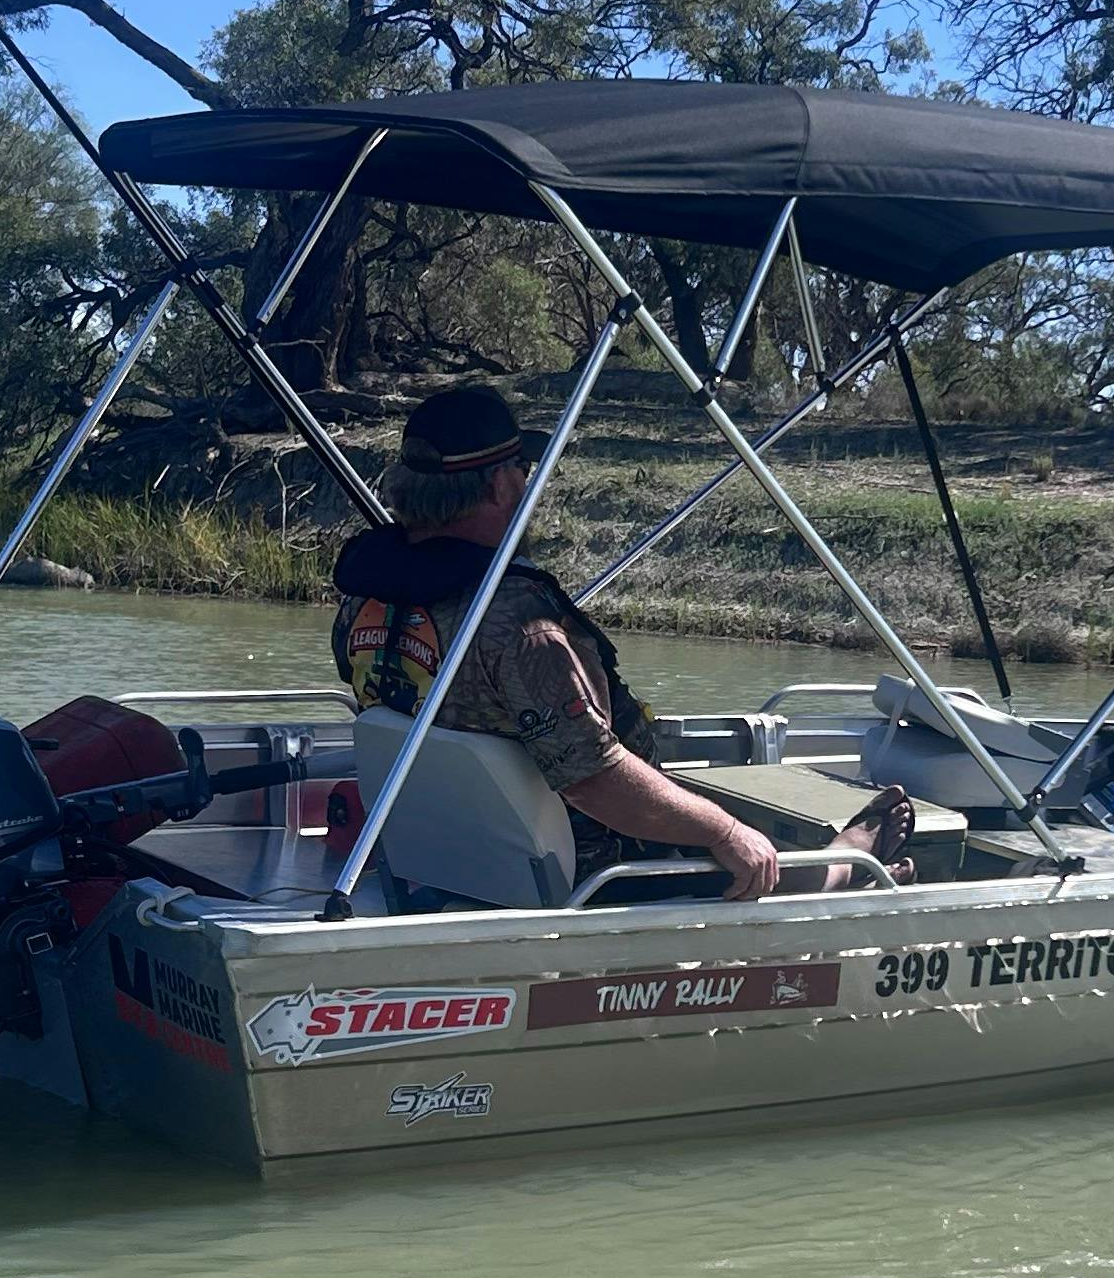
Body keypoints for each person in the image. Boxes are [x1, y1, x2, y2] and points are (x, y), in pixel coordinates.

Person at [331, 382, 790, 899]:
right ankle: (853, 863)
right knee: (765, 863)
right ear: (502, 486)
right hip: (595, 876)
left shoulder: (365, 602)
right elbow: (594, 782)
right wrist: (724, 831)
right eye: (522, 473)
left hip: (454, 865)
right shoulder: (522, 627)